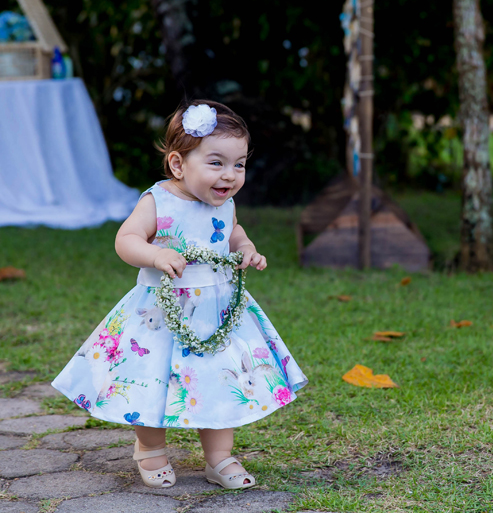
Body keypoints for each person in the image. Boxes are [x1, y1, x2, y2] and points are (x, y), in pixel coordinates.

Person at [52, 100, 308, 489]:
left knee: (223, 381)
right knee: (151, 380)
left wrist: (246, 249)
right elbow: (126, 240)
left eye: (238, 164)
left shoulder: (226, 203)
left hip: (217, 313)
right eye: (216, 163)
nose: (230, 175)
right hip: (160, 315)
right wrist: (155, 254)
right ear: (177, 165)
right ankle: (150, 450)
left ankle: (219, 458)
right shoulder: (159, 201)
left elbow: (233, 232)